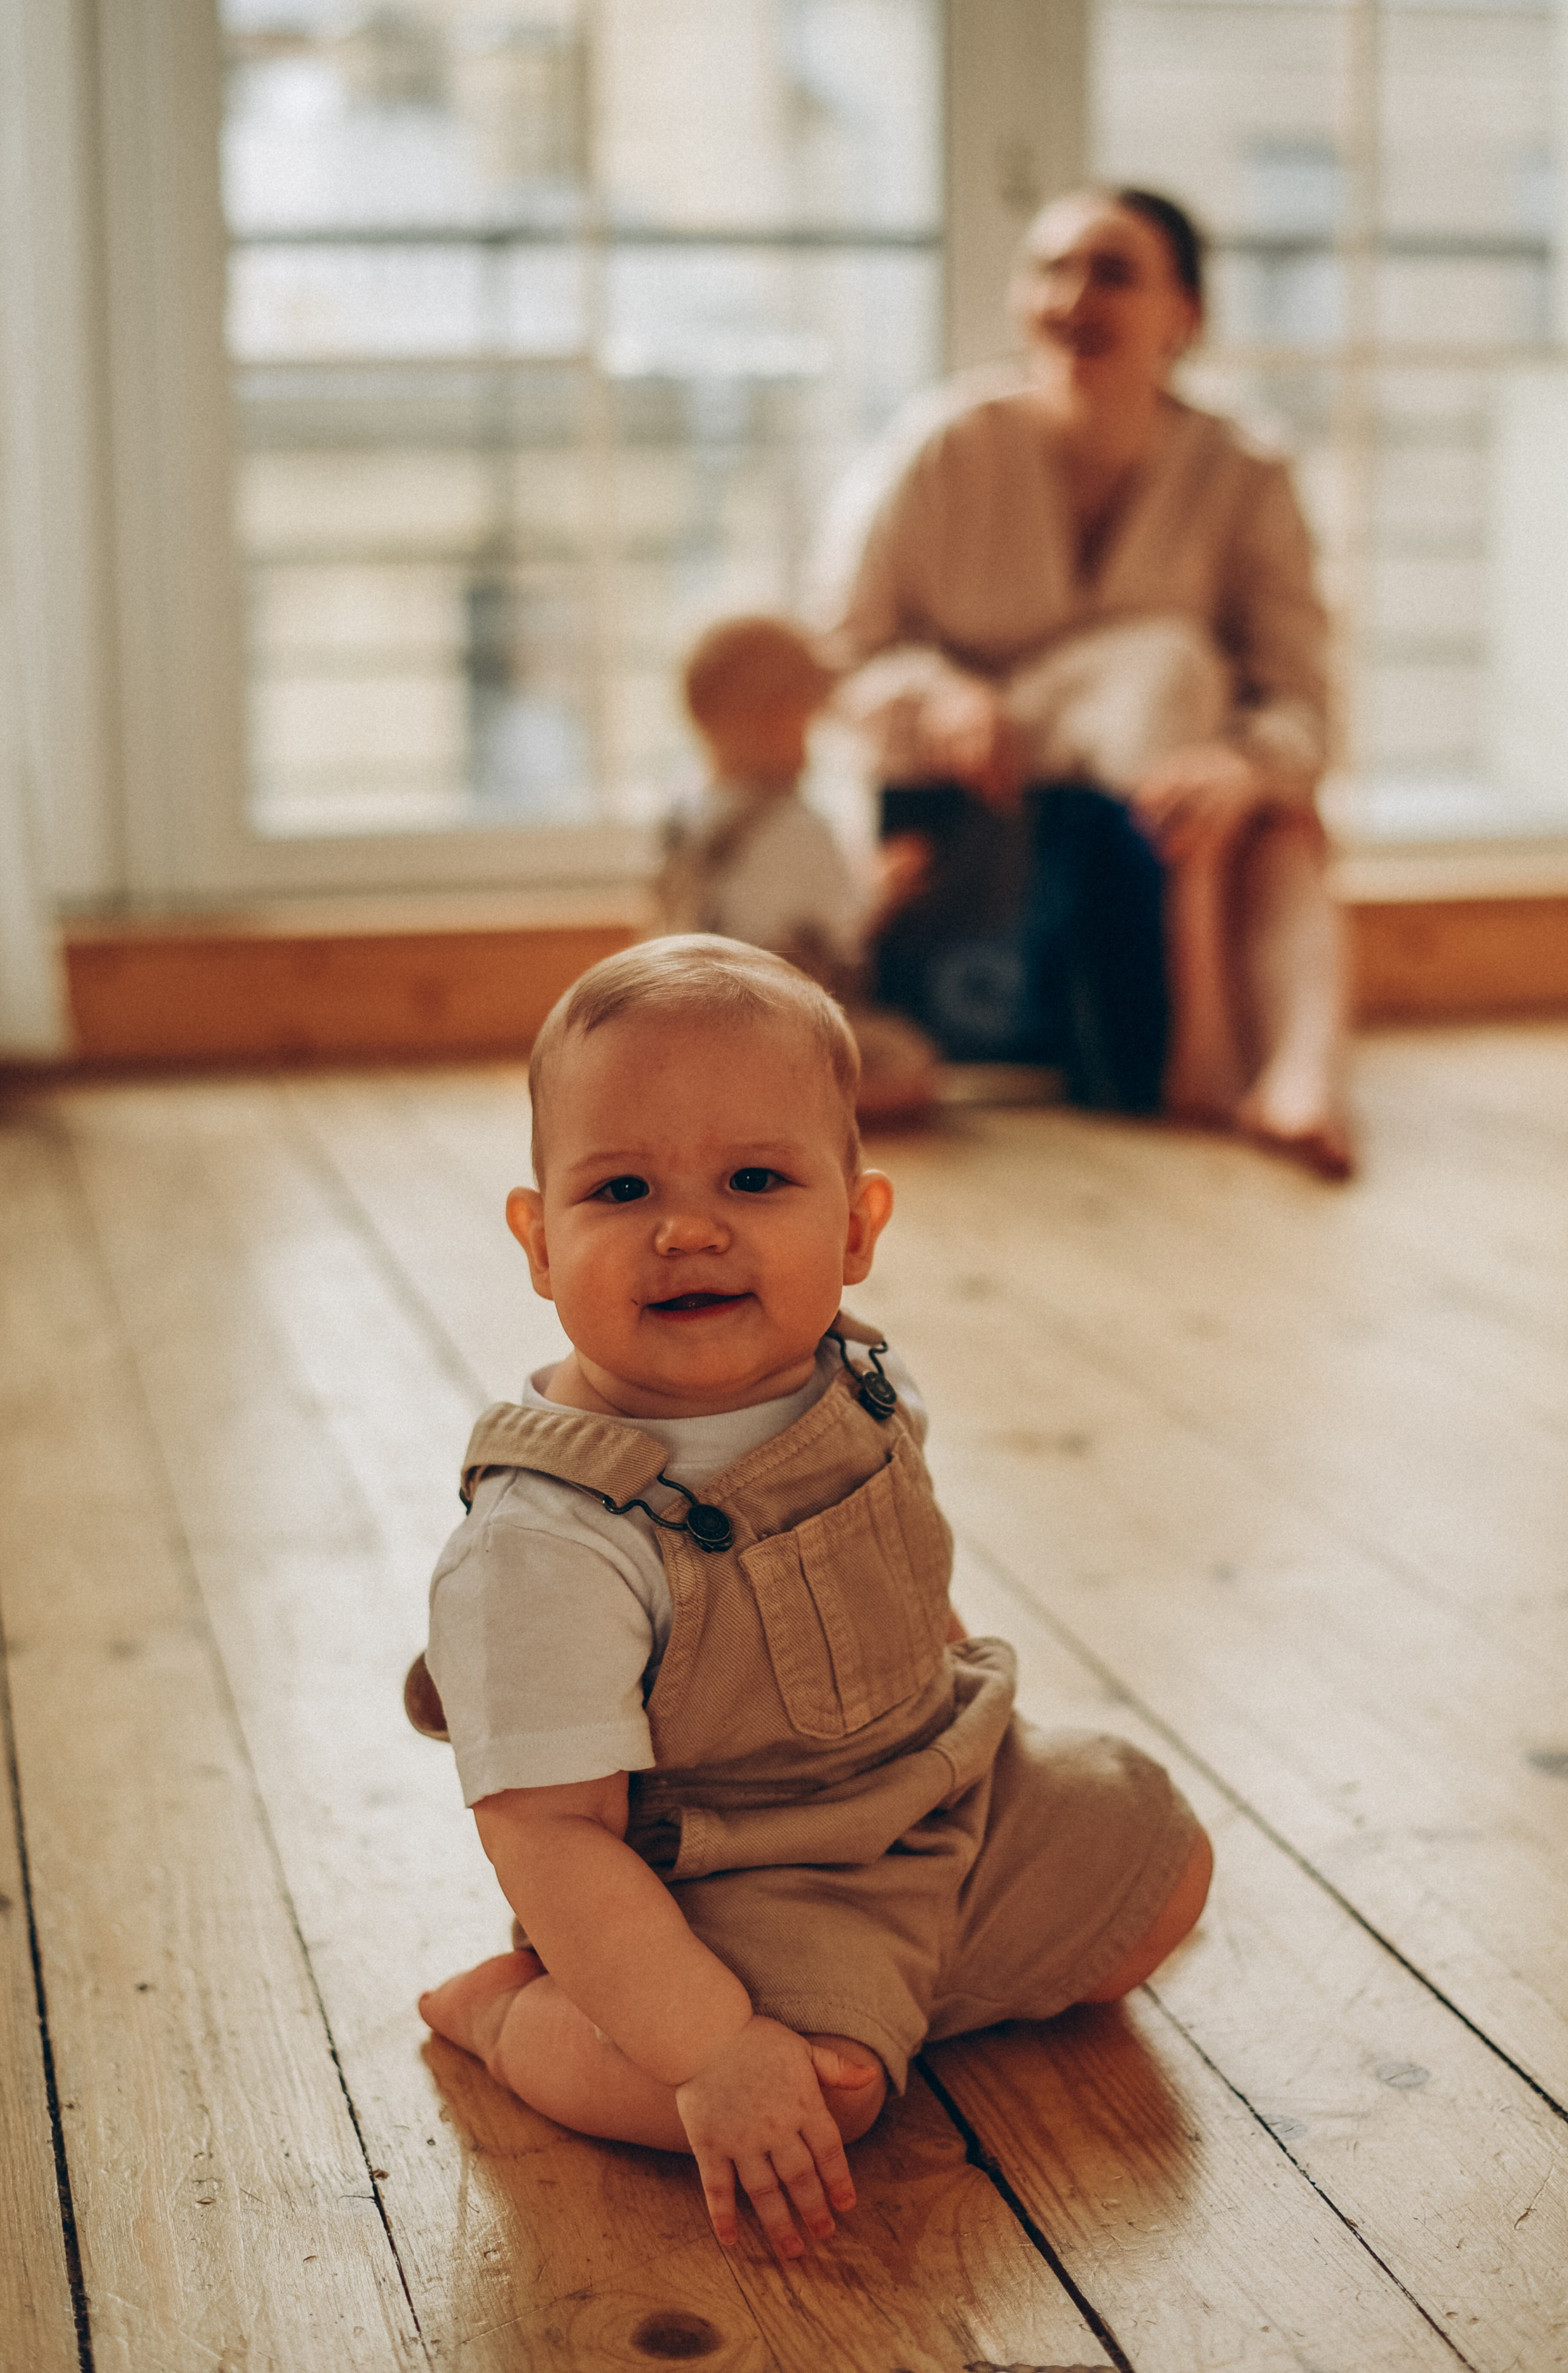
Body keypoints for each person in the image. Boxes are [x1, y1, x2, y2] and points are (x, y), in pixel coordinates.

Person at [412, 937, 1212, 2262]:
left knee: (1156, 1864)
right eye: (621, 1187)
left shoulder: (860, 1384)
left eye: (753, 1179)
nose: (687, 1227)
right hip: (744, 1880)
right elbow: (550, 1836)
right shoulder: (548, 1542)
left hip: (940, 1790)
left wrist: (973, 1745)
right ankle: (525, 2018)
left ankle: (902, 1988)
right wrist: (716, 2046)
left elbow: (901, 1588)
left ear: (855, 1226)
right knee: (807, 2095)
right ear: (539, 1241)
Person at [815, 186, 1353, 1178]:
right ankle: (1191, 1046)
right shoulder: (942, 446)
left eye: (1111, 272)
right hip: (974, 809)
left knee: (1277, 815)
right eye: (1051, 269)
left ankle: (1300, 1079)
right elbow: (838, 657)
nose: (1071, 298)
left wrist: (1243, 768)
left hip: (1162, 818)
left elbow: (1303, 703)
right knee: (1170, 662)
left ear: (1183, 314)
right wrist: (937, 692)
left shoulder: (1248, 473)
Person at [654, 612, 939, 1119]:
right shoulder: (799, 825)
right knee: (911, 1060)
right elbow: (845, 926)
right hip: (775, 1027)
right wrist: (884, 886)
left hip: (684, 1023)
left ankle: (711, 1090)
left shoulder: (680, 817)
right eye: (807, 723)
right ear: (783, 719)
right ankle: (793, 1101)